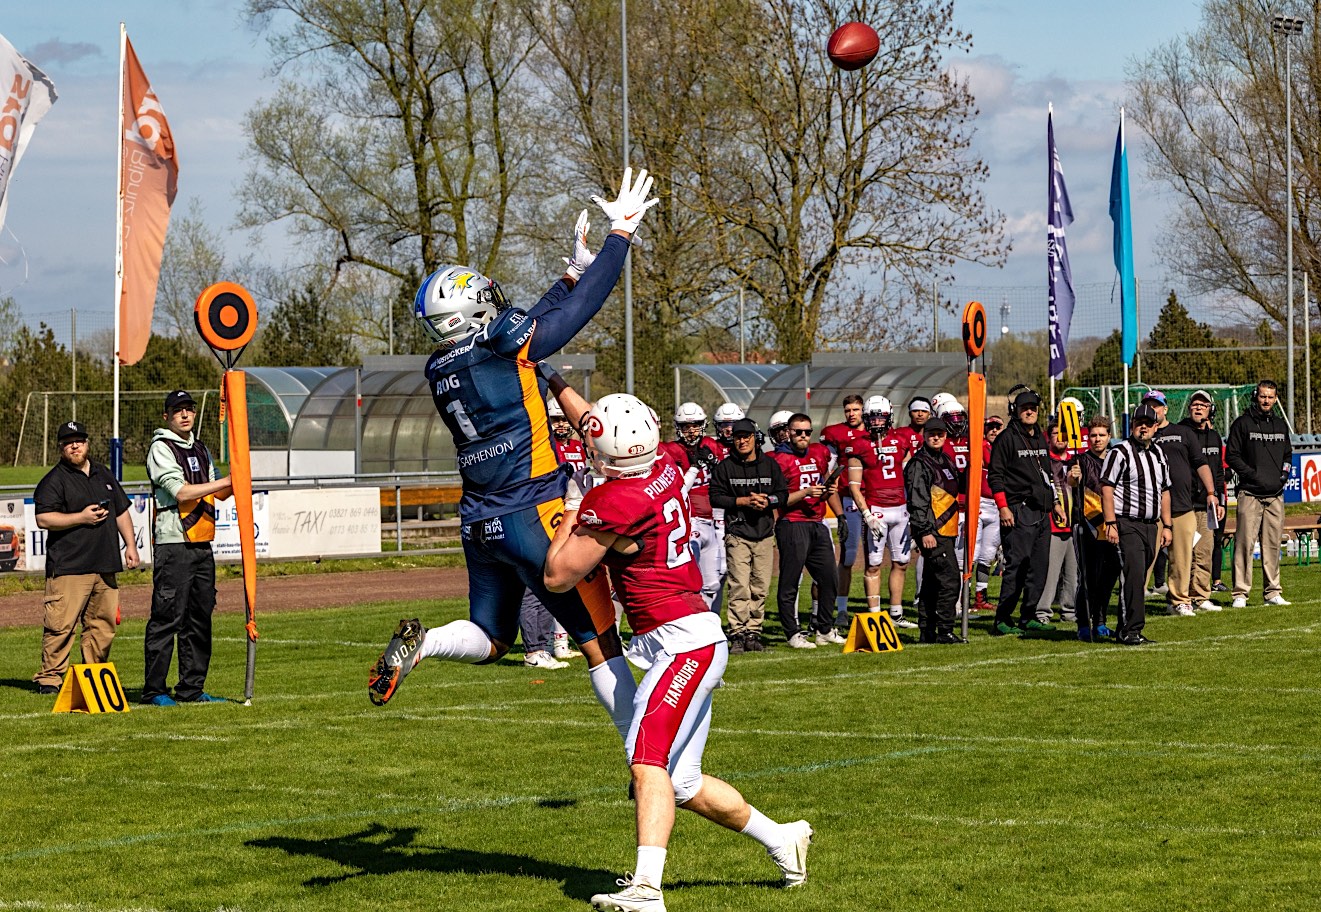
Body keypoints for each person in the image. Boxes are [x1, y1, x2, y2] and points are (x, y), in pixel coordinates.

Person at [368, 169, 658, 747]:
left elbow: (533, 327)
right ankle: (646, 756)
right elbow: (567, 321)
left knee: (490, 635)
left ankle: (424, 644)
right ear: (472, 306)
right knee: (600, 642)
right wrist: (618, 237)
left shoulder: (442, 365)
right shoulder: (498, 343)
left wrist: (568, 274)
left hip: (480, 520)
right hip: (533, 509)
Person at [543, 394, 813, 912]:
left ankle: (646, 888)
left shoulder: (615, 500)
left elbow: (558, 576)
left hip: (681, 643)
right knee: (682, 781)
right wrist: (552, 379)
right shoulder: (664, 463)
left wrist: (571, 512)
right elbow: (597, 425)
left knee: (646, 762)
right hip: (690, 635)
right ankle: (782, 839)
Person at [32, 421, 140, 694]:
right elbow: (43, 518)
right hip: (70, 566)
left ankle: (93, 677)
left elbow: (122, 511)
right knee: (60, 626)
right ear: (60, 448)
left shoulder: (104, 474)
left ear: (88, 443)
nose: (75, 446)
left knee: (102, 626)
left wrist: (131, 546)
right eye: (69, 442)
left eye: (79, 440)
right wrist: (80, 518)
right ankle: (50, 680)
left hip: (104, 564)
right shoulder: (54, 480)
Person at [143, 390, 233, 706]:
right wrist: (224, 483)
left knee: (199, 617)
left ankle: (191, 689)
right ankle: (154, 689)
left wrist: (239, 477)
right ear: (166, 416)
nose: (185, 414)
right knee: (167, 617)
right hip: (174, 543)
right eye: (178, 410)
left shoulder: (201, 448)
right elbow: (181, 493)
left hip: (202, 542)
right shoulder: (161, 448)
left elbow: (220, 492)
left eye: (189, 409)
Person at [709, 418, 788, 653]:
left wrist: (767, 501)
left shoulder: (770, 465)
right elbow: (715, 497)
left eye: (746, 437)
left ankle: (754, 632)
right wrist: (743, 501)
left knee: (760, 586)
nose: (742, 441)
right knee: (739, 586)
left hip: (764, 533)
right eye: (737, 437)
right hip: (737, 533)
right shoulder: (725, 467)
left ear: (755, 438)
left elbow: (782, 494)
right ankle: (738, 633)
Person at [1101, 403, 1172, 646]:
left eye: (1148, 423)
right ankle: (1130, 630)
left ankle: (1130, 628)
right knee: (1132, 574)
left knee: (1140, 577)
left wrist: (1168, 525)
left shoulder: (1158, 454)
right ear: (1131, 425)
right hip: (1126, 522)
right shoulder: (1120, 451)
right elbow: (1107, 488)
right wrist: (1110, 522)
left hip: (1151, 525)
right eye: (1139, 423)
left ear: (1155, 426)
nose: (1143, 427)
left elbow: (1164, 491)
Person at [987, 387, 1056, 636]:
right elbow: (995, 476)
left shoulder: (1039, 436)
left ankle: (1028, 615)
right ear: (1015, 411)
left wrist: (1056, 503)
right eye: (1025, 408)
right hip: (1018, 509)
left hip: (1041, 510)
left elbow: (1046, 475)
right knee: (1017, 566)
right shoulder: (1007, 438)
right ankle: (1002, 618)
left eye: (1033, 408)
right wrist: (1003, 507)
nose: (1030, 412)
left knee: (1039, 566)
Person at [1145, 390, 1220, 617]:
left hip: (1181, 506)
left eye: (1156, 405)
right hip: (1150, 508)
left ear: (1165, 409)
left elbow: (1200, 462)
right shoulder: (1142, 434)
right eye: (1148, 406)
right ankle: (1132, 599)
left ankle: (1178, 601)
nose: (1153, 410)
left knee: (1182, 557)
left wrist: (1210, 492)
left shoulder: (1183, 432)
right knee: (1145, 558)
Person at [847, 395, 918, 632]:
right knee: (874, 565)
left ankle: (896, 613)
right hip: (876, 509)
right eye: (872, 418)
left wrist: (914, 511)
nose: (876, 422)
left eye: (880, 417)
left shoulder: (902, 440)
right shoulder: (859, 445)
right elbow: (854, 486)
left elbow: (911, 477)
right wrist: (866, 514)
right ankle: (875, 616)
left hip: (900, 509)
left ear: (889, 417)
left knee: (901, 562)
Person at [771, 413, 841, 648]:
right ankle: (792, 633)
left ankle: (824, 629)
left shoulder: (819, 452)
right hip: (792, 522)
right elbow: (778, 499)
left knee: (829, 578)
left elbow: (827, 483)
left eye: (807, 432)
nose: (803, 436)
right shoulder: (780, 459)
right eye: (798, 432)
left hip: (817, 522)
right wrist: (805, 493)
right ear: (789, 433)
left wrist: (840, 514)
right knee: (790, 580)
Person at [1226, 379, 1293, 608]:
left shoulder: (1280, 425)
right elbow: (1232, 456)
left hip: (1275, 495)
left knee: (1273, 544)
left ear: (1275, 399)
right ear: (1256, 395)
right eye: (1263, 396)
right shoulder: (1242, 423)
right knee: (1244, 544)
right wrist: (1252, 475)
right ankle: (1240, 594)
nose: (1266, 400)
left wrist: (1282, 477)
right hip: (1250, 493)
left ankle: (1273, 591)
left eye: (1270, 397)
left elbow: (1287, 456)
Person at [658, 403, 727, 612]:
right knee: (689, 577)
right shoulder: (672, 450)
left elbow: (724, 481)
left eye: (695, 425)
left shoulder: (711, 445)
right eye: (686, 426)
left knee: (715, 580)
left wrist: (716, 465)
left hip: (714, 519)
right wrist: (695, 467)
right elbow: (679, 490)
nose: (691, 431)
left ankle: (711, 624)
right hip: (690, 520)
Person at [903, 417, 965, 644]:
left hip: (946, 531)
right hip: (933, 532)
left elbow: (959, 484)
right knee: (950, 580)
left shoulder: (946, 460)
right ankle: (945, 630)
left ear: (946, 436)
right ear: (924, 436)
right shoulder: (920, 464)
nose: (936, 437)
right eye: (931, 434)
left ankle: (927, 630)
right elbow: (917, 501)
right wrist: (925, 531)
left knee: (931, 582)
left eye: (940, 433)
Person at [819, 394, 870, 631]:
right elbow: (826, 464)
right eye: (848, 409)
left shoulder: (875, 430)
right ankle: (841, 610)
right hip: (849, 499)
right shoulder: (834, 433)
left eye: (856, 409)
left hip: (875, 500)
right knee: (848, 557)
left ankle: (880, 612)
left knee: (878, 559)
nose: (852, 414)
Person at [1068, 415, 1119, 641]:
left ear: (1109, 437)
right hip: (1086, 525)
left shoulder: (1117, 459)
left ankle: (1100, 621)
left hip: (1112, 525)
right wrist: (1073, 477)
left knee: (1108, 576)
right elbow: (1071, 481)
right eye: (1093, 435)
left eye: (1101, 435)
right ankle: (1083, 623)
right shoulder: (1080, 460)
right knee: (1089, 577)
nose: (1097, 439)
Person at [1180, 390, 1227, 611]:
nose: (1198, 408)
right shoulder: (1180, 433)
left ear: (1210, 410)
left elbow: (1218, 473)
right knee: (1185, 553)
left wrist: (1220, 500)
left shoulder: (1215, 437)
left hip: (1207, 504)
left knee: (1204, 551)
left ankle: (1201, 595)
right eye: (1195, 404)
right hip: (1185, 504)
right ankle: (1182, 597)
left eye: (1203, 405)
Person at [1033, 420, 1077, 627]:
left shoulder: (1076, 461)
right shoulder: (1044, 460)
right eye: (1056, 433)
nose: (1060, 437)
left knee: (1072, 574)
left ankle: (1069, 611)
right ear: (1048, 436)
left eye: (1064, 433)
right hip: (1052, 525)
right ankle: (1042, 612)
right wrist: (1055, 505)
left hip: (1074, 525)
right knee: (1051, 573)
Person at [973, 415, 1004, 611]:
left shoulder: (1004, 446)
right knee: (972, 554)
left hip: (997, 505)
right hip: (980, 503)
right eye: (990, 427)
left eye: (997, 427)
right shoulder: (983, 446)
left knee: (988, 554)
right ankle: (961, 597)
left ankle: (980, 596)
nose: (993, 430)